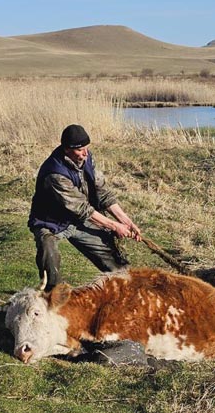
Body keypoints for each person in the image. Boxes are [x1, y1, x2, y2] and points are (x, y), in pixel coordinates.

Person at [28, 124, 142, 291]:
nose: (85, 153)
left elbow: (102, 192)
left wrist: (126, 220)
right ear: (67, 149)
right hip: (50, 222)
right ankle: (53, 295)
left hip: (78, 219)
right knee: (48, 251)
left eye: (87, 148)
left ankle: (127, 287)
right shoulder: (55, 174)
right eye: (80, 149)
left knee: (112, 258)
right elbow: (83, 209)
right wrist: (115, 226)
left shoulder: (87, 158)